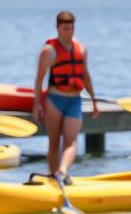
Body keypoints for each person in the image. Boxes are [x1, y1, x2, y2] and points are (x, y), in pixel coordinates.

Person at [33, 11, 99, 182]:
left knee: (71, 141)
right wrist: (37, 104)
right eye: (64, 29)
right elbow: (39, 79)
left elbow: (85, 76)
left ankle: (62, 171)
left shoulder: (81, 49)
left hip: (74, 101)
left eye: (70, 29)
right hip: (54, 99)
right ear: (57, 28)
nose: (68, 32)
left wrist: (94, 100)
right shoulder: (48, 51)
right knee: (54, 141)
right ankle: (54, 177)